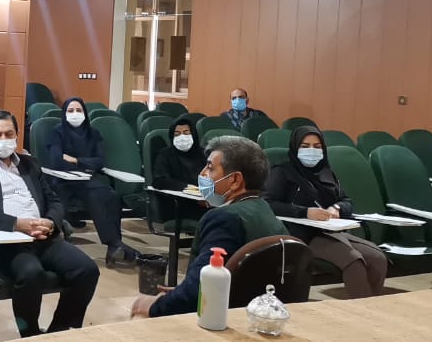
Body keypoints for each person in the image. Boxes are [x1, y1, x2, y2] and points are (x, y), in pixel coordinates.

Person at [0, 110, 99, 338]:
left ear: (17, 135)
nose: (3, 139)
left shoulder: (30, 164)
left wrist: (50, 222)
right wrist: (17, 224)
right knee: (31, 272)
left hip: (42, 236)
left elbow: (54, 201)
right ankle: (30, 334)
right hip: (4, 243)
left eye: (9, 134)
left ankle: (59, 331)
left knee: (87, 270)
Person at [131, 135, 284, 319]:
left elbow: (199, 290)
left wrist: (156, 306)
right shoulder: (263, 209)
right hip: (259, 312)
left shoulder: (224, 219)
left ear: (235, 180)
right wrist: (181, 291)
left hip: (225, 318)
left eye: (210, 168)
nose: (202, 174)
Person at [262, 126, 387, 299]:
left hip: (331, 232)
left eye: (317, 146)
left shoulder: (327, 173)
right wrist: (305, 212)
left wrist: (337, 208)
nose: (311, 151)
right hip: (302, 235)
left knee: (377, 258)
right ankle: (362, 310)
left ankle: (373, 306)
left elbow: (347, 202)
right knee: (354, 262)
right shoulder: (282, 172)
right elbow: (267, 204)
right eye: (305, 146)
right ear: (295, 148)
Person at [42, 97, 139, 268]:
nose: (75, 114)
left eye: (79, 110)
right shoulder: (57, 132)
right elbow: (56, 161)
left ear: (85, 113)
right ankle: (115, 244)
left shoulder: (93, 133)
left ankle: (113, 245)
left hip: (88, 180)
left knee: (109, 196)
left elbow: (99, 162)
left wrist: (75, 160)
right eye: (70, 111)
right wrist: (84, 163)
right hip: (64, 181)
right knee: (68, 199)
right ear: (64, 113)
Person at [151, 115, 208, 191]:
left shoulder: (204, 153)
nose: (182, 137)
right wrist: (186, 187)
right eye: (177, 134)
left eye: (186, 133)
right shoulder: (164, 155)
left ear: (193, 134)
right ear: (172, 136)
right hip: (178, 196)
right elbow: (159, 180)